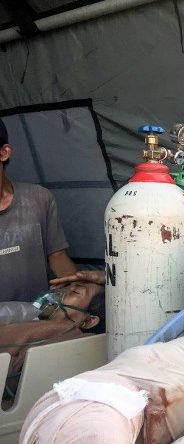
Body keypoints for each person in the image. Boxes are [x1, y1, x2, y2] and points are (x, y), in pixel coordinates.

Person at [0, 117, 78, 302]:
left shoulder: (38, 198)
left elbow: (57, 256)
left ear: (4, 153)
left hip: (39, 323)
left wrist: (79, 297)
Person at [1, 280, 105, 409]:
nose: (59, 294)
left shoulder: (74, 343)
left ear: (89, 321)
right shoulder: (22, 315)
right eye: (65, 287)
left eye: (75, 292)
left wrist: (55, 326)